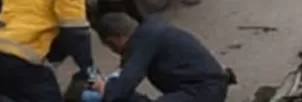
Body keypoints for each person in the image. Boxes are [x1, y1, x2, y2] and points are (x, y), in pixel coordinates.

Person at [92, 12, 234, 102]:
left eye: (111, 47)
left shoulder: (144, 41)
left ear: (114, 40)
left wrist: (106, 90)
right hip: (204, 85)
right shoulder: (149, 33)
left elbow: (129, 78)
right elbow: (125, 73)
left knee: (118, 93)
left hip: (204, 90)